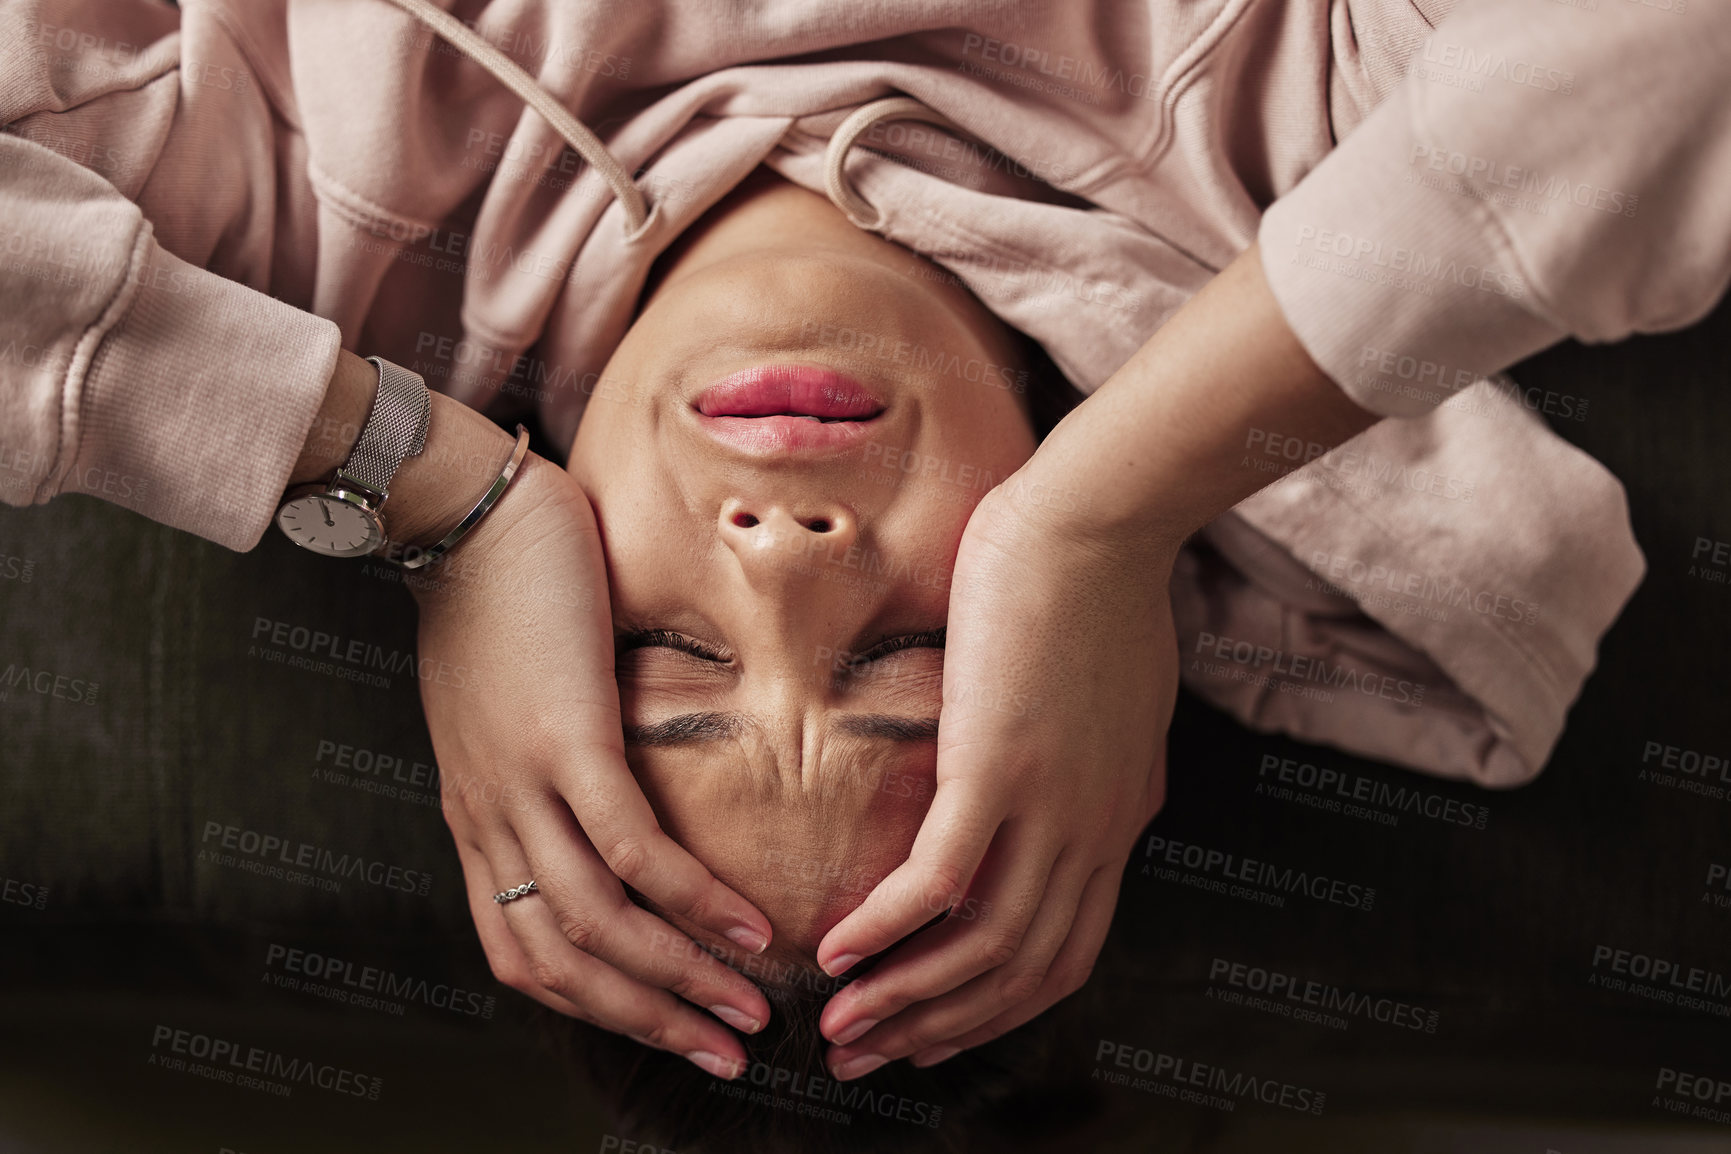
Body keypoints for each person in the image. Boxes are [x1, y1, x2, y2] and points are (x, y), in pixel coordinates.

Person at [2, 0, 1725, 1090]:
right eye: (913, 655)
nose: (785, 553)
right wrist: (1105, 509)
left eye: (669, 654)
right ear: (1118, 667)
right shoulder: (1278, 126)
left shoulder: (308, 178)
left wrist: (424, 481)